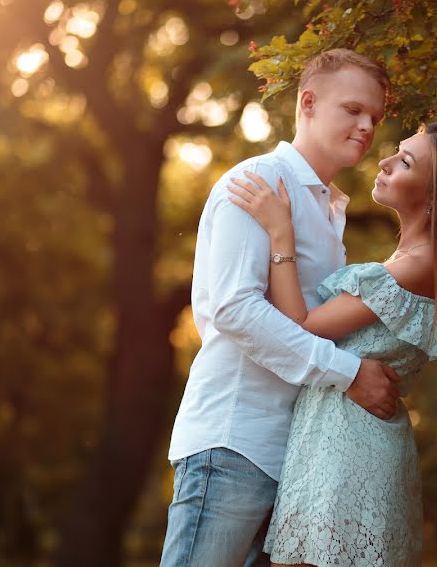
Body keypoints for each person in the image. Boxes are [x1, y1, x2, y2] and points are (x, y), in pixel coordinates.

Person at [160, 49, 401, 567]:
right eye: (353, 109)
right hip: (234, 442)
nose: (366, 126)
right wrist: (348, 373)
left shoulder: (328, 208)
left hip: (293, 458)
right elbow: (235, 311)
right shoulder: (256, 184)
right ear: (308, 103)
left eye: (375, 118)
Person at [226, 121, 437, 567]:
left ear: (436, 197)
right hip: (336, 440)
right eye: (397, 151)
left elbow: (301, 324)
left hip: (348, 453)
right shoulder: (411, 261)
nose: (387, 161)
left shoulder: (418, 265)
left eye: (406, 161)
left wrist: (281, 234)